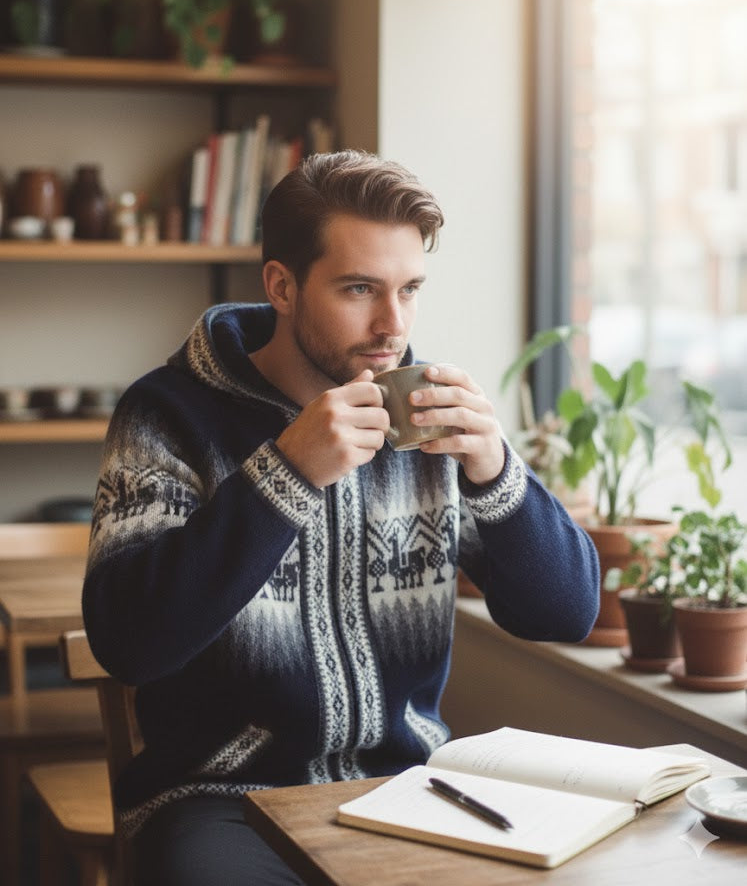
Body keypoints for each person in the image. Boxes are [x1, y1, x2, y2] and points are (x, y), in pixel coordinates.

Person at [82, 149, 600, 885]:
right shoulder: (167, 414)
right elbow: (129, 642)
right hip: (219, 802)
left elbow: (567, 613)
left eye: (410, 289)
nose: (392, 324)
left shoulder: (424, 421)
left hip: (412, 788)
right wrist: (285, 472)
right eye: (360, 288)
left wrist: (494, 470)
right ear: (282, 286)